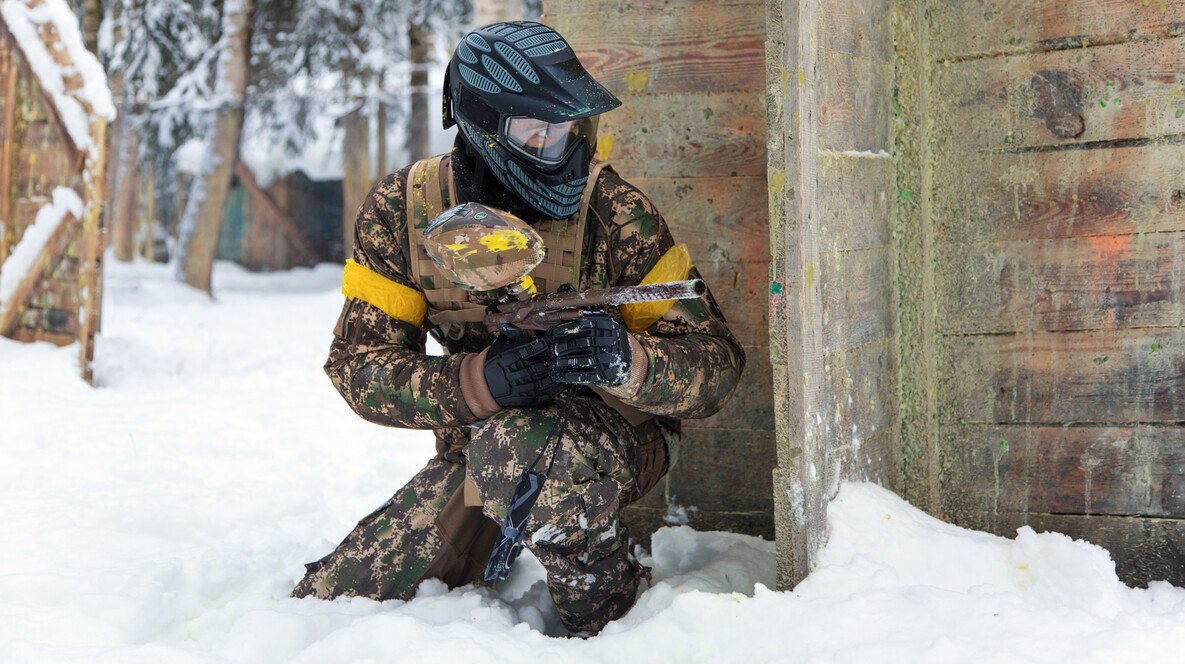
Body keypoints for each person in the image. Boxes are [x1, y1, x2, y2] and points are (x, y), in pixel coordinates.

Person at [292, 20, 745, 635]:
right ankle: (502, 527)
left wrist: (629, 362)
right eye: (536, 128)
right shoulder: (404, 212)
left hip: (613, 446)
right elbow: (358, 368)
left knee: (525, 451)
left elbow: (716, 365)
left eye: (565, 126)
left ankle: (613, 617)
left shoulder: (614, 212)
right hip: (485, 453)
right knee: (335, 603)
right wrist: (480, 383)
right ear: (482, 128)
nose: (558, 143)